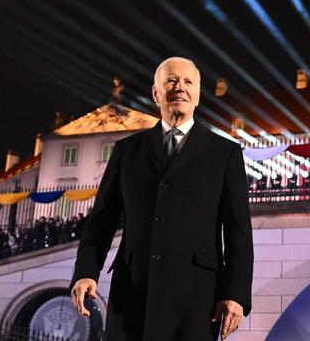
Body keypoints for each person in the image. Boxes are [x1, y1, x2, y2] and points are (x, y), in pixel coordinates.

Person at [70, 57, 253, 340]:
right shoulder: (127, 151)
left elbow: (238, 230)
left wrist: (235, 293)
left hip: (196, 299)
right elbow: (101, 221)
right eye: (171, 80)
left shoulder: (224, 154)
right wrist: (85, 272)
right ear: (156, 93)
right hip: (132, 295)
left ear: (197, 95)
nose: (180, 87)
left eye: (188, 82)